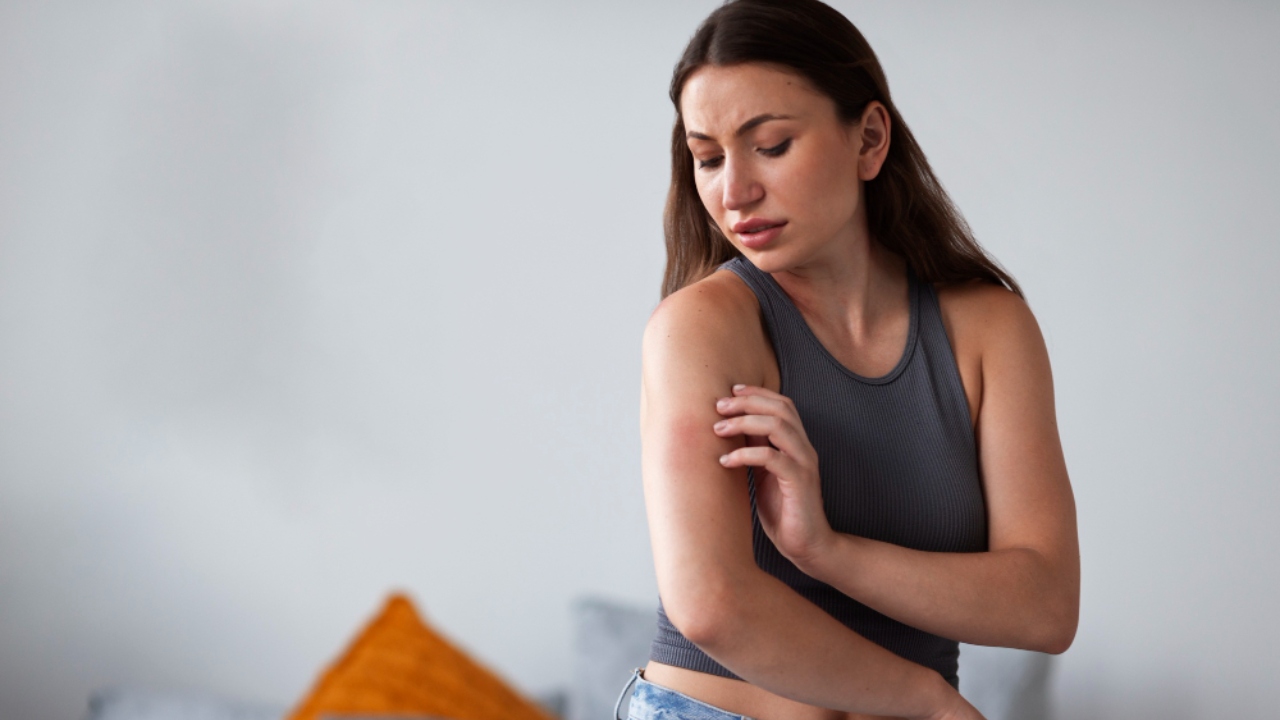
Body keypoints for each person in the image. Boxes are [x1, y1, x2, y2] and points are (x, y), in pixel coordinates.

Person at [622, 1, 1080, 719]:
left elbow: (1045, 607)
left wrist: (827, 550)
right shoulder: (701, 328)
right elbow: (710, 604)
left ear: (869, 139)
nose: (734, 191)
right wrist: (928, 701)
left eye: (771, 145)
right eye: (707, 158)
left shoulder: (990, 328)